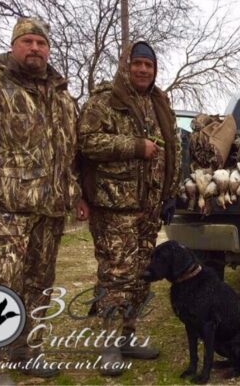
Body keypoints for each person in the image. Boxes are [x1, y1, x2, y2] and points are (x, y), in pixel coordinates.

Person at [0, 18, 86, 385]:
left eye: (41, 43)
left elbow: (70, 152)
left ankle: (28, 352)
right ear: (14, 46)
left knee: (39, 284)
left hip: (49, 211)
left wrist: (76, 193)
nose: (35, 48)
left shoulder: (60, 96)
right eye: (27, 41)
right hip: (3, 210)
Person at [78, 41, 181, 375]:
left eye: (148, 66)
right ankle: (108, 344)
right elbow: (86, 143)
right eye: (137, 64)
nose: (142, 70)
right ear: (126, 66)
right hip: (114, 207)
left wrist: (170, 193)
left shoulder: (159, 102)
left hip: (149, 207)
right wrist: (134, 146)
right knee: (116, 274)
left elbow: (173, 150)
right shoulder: (105, 100)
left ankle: (128, 337)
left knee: (141, 276)